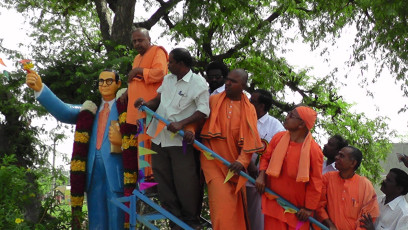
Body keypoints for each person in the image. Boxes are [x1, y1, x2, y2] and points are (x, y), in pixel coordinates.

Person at [26, 70, 124, 230]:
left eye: (109, 81)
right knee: (96, 218)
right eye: (101, 81)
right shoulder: (89, 111)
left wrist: (122, 141)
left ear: (118, 84)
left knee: (117, 217)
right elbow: (64, 111)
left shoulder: (125, 109)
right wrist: (40, 88)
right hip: (93, 173)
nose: (104, 85)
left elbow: (139, 132)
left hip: (117, 173)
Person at [134, 48, 210, 229]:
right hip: (159, 138)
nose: (168, 65)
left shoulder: (199, 83)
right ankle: (174, 223)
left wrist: (182, 123)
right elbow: (158, 100)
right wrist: (146, 104)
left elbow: (203, 111)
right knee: (163, 182)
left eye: (172, 62)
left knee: (185, 184)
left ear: (182, 64)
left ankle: (191, 222)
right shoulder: (168, 79)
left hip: (180, 142)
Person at [200, 69, 263, 230]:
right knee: (220, 207)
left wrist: (242, 162)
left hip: (233, 167)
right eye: (227, 79)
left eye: (233, 81)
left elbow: (250, 141)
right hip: (213, 160)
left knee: (236, 208)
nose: (227, 83)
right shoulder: (213, 100)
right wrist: (190, 131)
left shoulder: (249, 110)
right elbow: (199, 118)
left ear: (243, 85)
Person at [256, 106, 324, 230]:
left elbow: (316, 182)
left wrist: (308, 209)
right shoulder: (278, 137)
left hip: (297, 212)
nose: (286, 117)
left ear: (301, 124)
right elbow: (266, 158)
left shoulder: (314, 150)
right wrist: (261, 176)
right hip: (273, 203)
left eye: (291, 115)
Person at [124, 27, 168, 180]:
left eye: (140, 40)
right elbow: (135, 80)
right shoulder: (136, 58)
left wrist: (138, 71)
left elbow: (160, 72)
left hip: (152, 108)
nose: (137, 43)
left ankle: (152, 178)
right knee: (141, 145)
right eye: (134, 41)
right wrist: (126, 92)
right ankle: (145, 179)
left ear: (149, 39)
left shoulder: (158, 51)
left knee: (150, 143)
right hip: (138, 112)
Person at [247, 89, 284, 230]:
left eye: (252, 101)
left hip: (257, 183)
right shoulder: (242, 116)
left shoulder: (276, 127)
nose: (248, 103)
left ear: (261, 106)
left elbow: (278, 157)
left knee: (255, 222)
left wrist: (262, 174)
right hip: (236, 173)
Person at [316, 146, 380, 230]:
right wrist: (329, 224)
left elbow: (367, 217)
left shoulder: (365, 185)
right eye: (338, 154)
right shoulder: (328, 178)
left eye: (341, 156)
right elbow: (319, 204)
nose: (336, 157)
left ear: (353, 163)